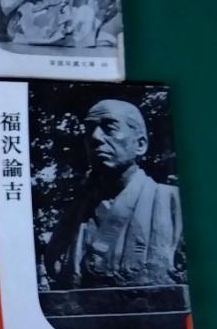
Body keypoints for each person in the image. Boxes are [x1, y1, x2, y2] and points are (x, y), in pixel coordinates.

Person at [42, 99, 183, 289]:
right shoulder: (72, 217)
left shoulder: (174, 205)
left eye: (109, 128)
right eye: (89, 130)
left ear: (140, 144)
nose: (95, 137)